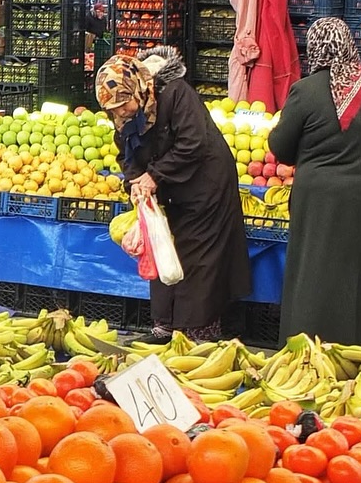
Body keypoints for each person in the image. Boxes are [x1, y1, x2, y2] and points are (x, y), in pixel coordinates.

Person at [96, 47, 251, 343]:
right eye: (113, 110)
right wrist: (135, 183)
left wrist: (154, 175)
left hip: (205, 182)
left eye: (124, 104)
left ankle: (198, 332)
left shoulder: (175, 93)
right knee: (163, 247)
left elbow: (193, 142)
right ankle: (164, 327)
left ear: (138, 88)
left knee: (198, 255)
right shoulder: (122, 115)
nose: (121, 112)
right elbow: (127, 154)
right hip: (167, 185)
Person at [268, 17, 361, 348]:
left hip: (325, 200)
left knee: (317, 277)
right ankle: (359, 352)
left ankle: (310, 355)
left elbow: (281, 148)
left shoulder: (306, 91)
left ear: (315, 49)